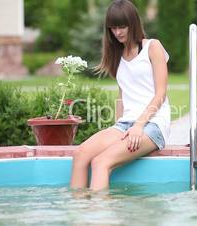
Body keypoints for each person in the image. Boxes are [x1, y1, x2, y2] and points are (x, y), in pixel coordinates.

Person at [70, 0, 170, 191]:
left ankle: (101, 219)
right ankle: (80, 213)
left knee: (100, 163)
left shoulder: (152, 47)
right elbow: (122, 96)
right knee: (80, 154)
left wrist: (139, 126)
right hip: (126, 125)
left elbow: (161, 93)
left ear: (133, 23)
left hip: (153, 124)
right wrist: (118, 128)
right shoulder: (117, 55)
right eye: (113, 27)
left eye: (122, 26)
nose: (118, 32)